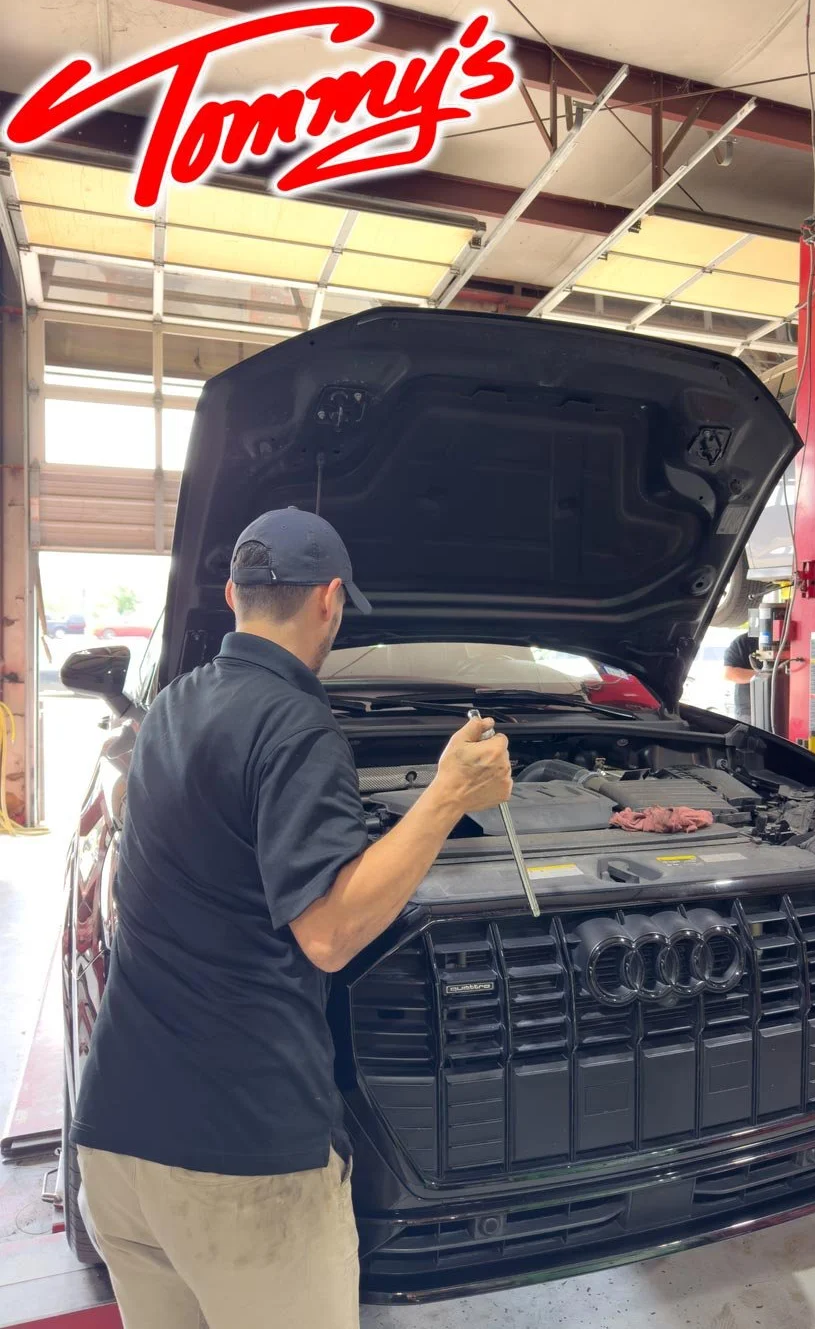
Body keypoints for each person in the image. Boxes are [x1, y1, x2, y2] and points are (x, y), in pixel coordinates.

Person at [70, 508, 512, 1329]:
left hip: (118, 1147)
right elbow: (330, 933)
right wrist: (448, 794)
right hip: (244, 1167)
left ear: (235, 593)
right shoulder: (296, 723)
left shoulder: (169, 708)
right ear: (331, 603)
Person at [722, 630, 759, 722]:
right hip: (749, 711)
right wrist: (770, 675)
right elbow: (729, 673)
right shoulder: (743, 642)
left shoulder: (789, 640)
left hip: (786, 707)